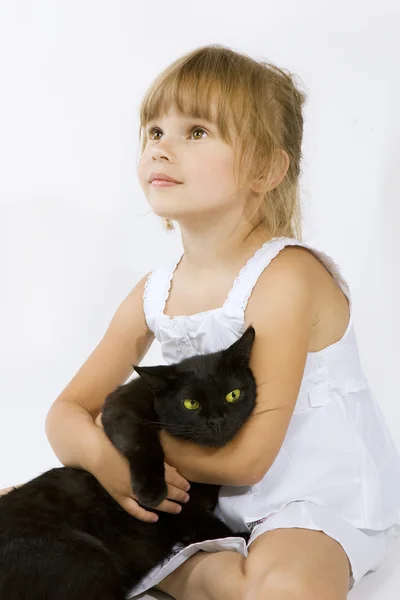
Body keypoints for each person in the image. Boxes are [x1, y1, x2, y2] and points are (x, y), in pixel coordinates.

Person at [3, 44, 400, 600]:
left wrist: (116, 450)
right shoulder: (154, 291)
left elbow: (248, 460)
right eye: (153, 131)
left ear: (265, 168)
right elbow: (65, 414)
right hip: (198, 500)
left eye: (195, 133)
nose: (162, 148)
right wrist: (108, 465)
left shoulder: (286, 278)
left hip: (307, 499)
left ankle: (186, 572)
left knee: (286, 591)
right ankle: (187, 558)